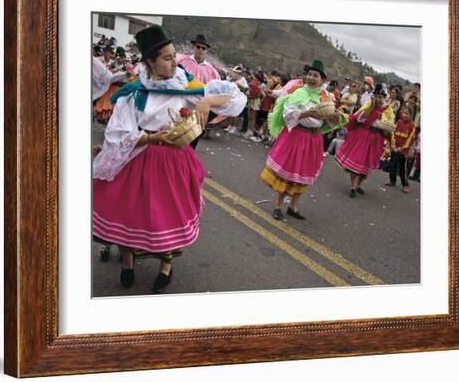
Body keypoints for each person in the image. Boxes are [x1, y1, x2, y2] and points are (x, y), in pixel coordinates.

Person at [92, 25, 246, 293]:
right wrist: (150, 138)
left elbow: (235, 97)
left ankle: (166, 265)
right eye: (166, 57)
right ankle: (127, 261)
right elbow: (118, 133)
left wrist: (207, 102)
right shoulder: (135, 92)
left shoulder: (187, 85)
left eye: (174, 55)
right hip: (140, 158)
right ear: (150, 62)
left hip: (174, 161)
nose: (174, 61)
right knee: (131, 213)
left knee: (169, 216)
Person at [261, 59, 347, 220]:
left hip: (313, 139)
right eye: (310, 74)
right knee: (287, 173)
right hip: (296, 136)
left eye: (316, 75)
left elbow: (328, 118)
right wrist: (308, 113)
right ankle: (278, 206)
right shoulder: (299, 92)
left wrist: (335, 117)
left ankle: (293, 206)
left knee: (304, 174)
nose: (311, 78)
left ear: (323, 80)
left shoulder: (326, 96)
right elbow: (289, 114)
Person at [335, 83, 395, 197]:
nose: (377, 99)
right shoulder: (368, 105)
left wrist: (380, 125)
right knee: (357, 161)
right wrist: (372, 109)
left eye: (380, 97)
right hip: (362, 136)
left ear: (384, 98)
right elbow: (360, 118)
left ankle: (358, 185)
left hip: (376, 140)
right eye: (376, 96)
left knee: (366, 166)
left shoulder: (388, 110)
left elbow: (389, 126)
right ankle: (353, 187)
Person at [385, 107, 416, 193]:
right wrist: (393, 145)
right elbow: (393, 133)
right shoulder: (398, 122)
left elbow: (410, 140)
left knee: (403, 168)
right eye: (404, 113)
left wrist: (401, 148)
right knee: (392, 164)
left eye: (407, 114)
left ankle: (405, 184)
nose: (405, 115)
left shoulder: (412, 126)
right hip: (395, 148)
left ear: (411, 115)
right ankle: (392, 180)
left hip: (403, 151)